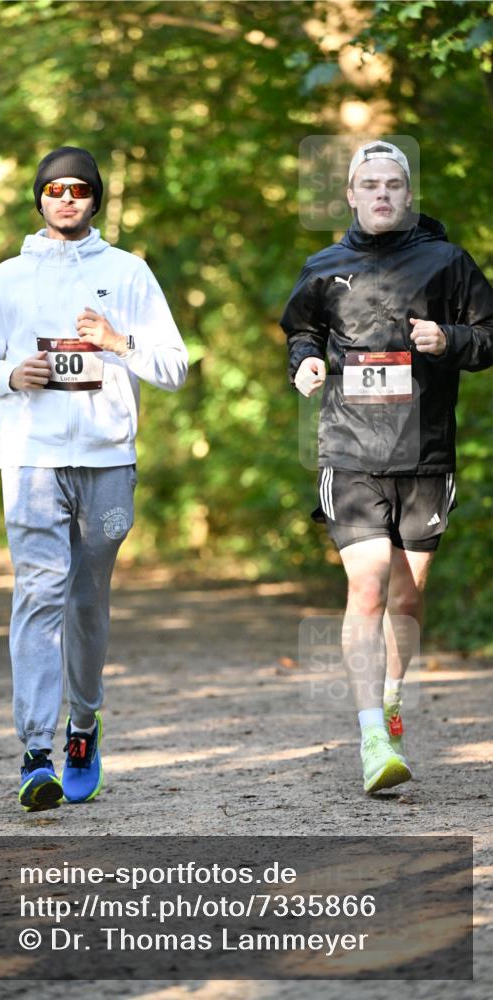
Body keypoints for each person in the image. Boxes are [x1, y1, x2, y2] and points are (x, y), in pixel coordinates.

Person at [0, 146, 188, 811]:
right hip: (31, 461)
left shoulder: (129, 272)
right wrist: (6, 375)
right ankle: (35, 752)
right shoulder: (8, 278)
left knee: (87, 601)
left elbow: (174, 367)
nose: (66, 198)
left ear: (94, 198)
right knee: (38, 593)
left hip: (110, 464)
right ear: (39, 198)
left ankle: (82, 726)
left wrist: (120, 343)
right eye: (54, 188)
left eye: (79, 188)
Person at [281, 140, 493, 793]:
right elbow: (299, 329)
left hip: (424, 454)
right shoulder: (323, 266)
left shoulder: (446, 262)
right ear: (349, 194)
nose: (380, 194)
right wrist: (304, 361)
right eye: (368, 184)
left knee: (405, 595)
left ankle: (392, 697)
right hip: (349, 452)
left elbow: (488, 337)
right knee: (368, 587)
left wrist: (448, 340)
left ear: (407, 195)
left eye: (392, 185)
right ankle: (371, 733)